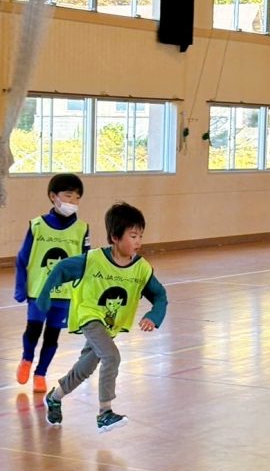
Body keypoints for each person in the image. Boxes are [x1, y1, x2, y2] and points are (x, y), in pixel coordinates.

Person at [38, 202, 167, 432]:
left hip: (110, 325)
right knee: (111, 356)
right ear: (115, 237)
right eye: (133, 235)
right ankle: (105, 412)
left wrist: (153, 315)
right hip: (89, 316)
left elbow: (159, 295)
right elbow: (60, 269)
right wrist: (45, 296)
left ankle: (55, 397)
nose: (138, 241)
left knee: (86, 367)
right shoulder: (92, 260)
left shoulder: (141, 268)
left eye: (141, 236)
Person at [14, 173, 90, 393]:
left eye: (77, 198)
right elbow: (23, 258)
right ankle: (27, 359)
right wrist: (20, 286)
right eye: (68, 196)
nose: (72, 202)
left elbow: (85, 262)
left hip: (65, 294)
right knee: (33, 329)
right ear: (53, 197)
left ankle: (41, 373)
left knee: (52, 335)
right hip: (39, 290)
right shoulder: (37, 225)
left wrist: (83, 292)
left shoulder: (82, 229)